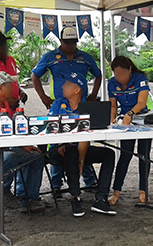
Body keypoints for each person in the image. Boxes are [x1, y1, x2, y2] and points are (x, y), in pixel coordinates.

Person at [31, 26, 101, 191]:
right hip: (59, 104)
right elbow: (35, 75)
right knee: (59, 138)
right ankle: (56, 184)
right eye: (67, 42)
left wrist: (92, 96)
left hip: (81, 105)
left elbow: (98, 74)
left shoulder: (85, 57)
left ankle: (89, 180)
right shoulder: (50, 57)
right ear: (60, 41)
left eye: (73, 42)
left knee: (82, 139)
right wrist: (43, 97)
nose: (70, 46)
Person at [0, 72, 45, 213]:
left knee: (36, 156)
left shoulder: (4, 104)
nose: (14, 89)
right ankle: (2, 192)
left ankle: (29, 198)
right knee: (9, 157)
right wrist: (20, 145)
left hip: (0, 150)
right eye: (10, 86)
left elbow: (11, 131)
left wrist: (23, 145)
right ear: (1, 88)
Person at [47, 73, 116, 217]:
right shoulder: (58, 103)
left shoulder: (88, 107)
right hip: (56, 149)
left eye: (67, 84)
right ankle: (75, 197)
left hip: (79, 148)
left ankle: (101, 198)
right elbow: (51, 127)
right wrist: (62, 143)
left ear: (77, 89)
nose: (63, 87)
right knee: (70, 149)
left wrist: (82, 160)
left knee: (109, 153)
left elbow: (86, 136)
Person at [107, 56, 153, 205]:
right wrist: (112, 119)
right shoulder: (112, 84)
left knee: (144, 155)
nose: (120, 78)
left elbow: (141, 102)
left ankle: (143, 190)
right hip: (125, 123)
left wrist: (130, 114)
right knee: (125, 155)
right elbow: (113, 105)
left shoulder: (140, 79)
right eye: (116, 75)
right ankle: (116, 191)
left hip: (142, 119)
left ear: (130, 70)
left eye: (122, 74)